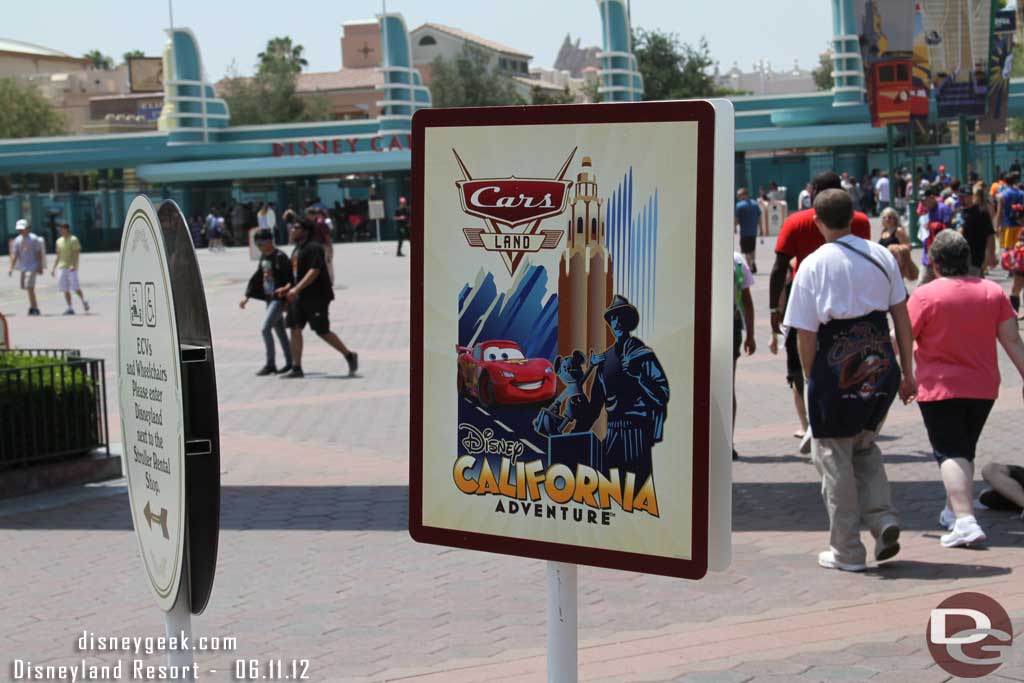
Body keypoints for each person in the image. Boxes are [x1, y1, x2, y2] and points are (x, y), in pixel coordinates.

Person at [786, 189, 915, 572]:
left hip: (836, 366)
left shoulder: (812, 265)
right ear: (854, 216)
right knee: (864, 446)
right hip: (880, 364)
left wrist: (812, 379)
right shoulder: (880, 255)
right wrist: (908, 372)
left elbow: (804, 333)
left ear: (817, 221)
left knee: (834, 457)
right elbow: (903, 320)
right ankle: (883, 518)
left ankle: (847, 550)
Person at [908, 230, 1024, 547]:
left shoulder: (924, 296)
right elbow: (1012, 340)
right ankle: (951, 510)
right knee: (964, 450)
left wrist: (901, 374)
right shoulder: (992, 292)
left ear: (935, 263)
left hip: (940, 388)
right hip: (983, 387)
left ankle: (964, 519)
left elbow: (902, 339)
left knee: (950, 452)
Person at [770, 171, 872, 447]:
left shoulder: (796, 221)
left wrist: (773, 311)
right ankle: (852, 417)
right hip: (849, 302)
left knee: (801, 367)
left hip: (806, 301)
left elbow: (780, 268)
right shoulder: (860, 221)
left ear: (814, 191)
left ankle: (808, 424)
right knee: (850, 360)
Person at [279, 219, 358, 379]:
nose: (292, 230)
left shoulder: (314, 248)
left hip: (316, 297)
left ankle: (349, 355)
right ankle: (297, 367)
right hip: (299, 297)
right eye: (292, 227)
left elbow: (314, 271)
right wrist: (288, 287)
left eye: (295, 227)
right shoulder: (297, 249)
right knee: (295, 327)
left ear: (305, 230)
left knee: (322, 331)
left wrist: (296, 288)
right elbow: (295, 274)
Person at [240, 229, 293, 376]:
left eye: (261, 243)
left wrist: (287, 292)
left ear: (270, 241)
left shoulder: (280, 257)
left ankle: (271, 364)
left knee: (265, 329)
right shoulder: (264, 257)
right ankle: (290, 362)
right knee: (280, 331)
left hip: (278, 298)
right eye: (257, 244)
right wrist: (247, 296)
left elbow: (290, 278)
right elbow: (257, 277)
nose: (259, 246)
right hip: (269, 299)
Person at [732, 252, 756, 461]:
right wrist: (751, 335)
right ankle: (727, 442)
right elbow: (747, 302)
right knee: (727, 386)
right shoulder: (737, 260)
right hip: (732, 324)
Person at [8, 219, 45, 316]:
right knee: (25, 287)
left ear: (27, 228)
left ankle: (35, 307)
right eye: (19, 229)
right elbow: (15, 254)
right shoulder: (17, 240)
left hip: (32, 266)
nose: (20, 231)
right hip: (23, 267)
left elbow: (39, 253)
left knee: (29, 287)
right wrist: (11, 267)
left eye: (22, 229)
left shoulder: (33, 238)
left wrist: (40, 266)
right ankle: (32, 306)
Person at [50, 223, 89, 315]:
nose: (61, 231)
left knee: (75, 287)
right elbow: (58, 255)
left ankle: (84, 301)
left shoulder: (73, 239)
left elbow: (76, 253)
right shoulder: (59, 241)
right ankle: (70, 307)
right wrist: (53, 268)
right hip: (62, 267)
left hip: (71, 268)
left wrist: (73, 265)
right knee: (65, 288)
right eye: (60, 229)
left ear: (67, 229)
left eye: (63, 229)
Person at [960, 184, 997, 277]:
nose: (962, 199)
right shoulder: (958, 212)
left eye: (965, 196)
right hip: (957, 256)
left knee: (972, 283)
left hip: (974, 256)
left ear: (971, 196)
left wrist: (991, 254)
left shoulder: (981, 212)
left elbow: (990, 235)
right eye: (960, 196)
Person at [995, 171, 1024, 254]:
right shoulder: (1022, 193)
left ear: (1005, 182)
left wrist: (997, 226)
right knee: (1020, 249)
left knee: (1008, 251)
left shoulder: (1002, 195)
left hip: (1007, 225)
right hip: (1020, 226)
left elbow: (999, 212)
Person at [734, 187, 761, 273]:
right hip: (753, 231)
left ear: (744, 195)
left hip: (744, 232)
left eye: (739, 195)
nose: (738, 197)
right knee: (752, 249)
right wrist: (761, 228)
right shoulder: (755, 204)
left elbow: (737, 218)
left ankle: (750, 267)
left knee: (746, 251)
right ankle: (753, 262)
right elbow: (759, 217)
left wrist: (734, 227)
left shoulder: (739, 205)